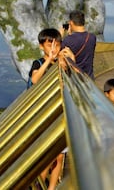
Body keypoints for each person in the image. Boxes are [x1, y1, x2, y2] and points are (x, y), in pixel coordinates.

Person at [28, 28, 75, 190]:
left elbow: (74, 81)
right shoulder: (39, 63)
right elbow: (35, 80)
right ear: (42, 46)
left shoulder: (63, 62)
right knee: (47, 158)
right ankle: (38, 186)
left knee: (60, 156)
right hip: (42, 115)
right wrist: (49, 60)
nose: (54, 48)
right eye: (50, 45)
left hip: (60, 113)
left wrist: (71, 61)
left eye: (57, 44)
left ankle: (52, 187)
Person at [61, 10, 97, 79]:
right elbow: (79, 40)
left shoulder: (67, 40)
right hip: (89, 77)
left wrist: (61, 37)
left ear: (71, 23)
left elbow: (60, 55)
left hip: (75, 78)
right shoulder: (92, 37)